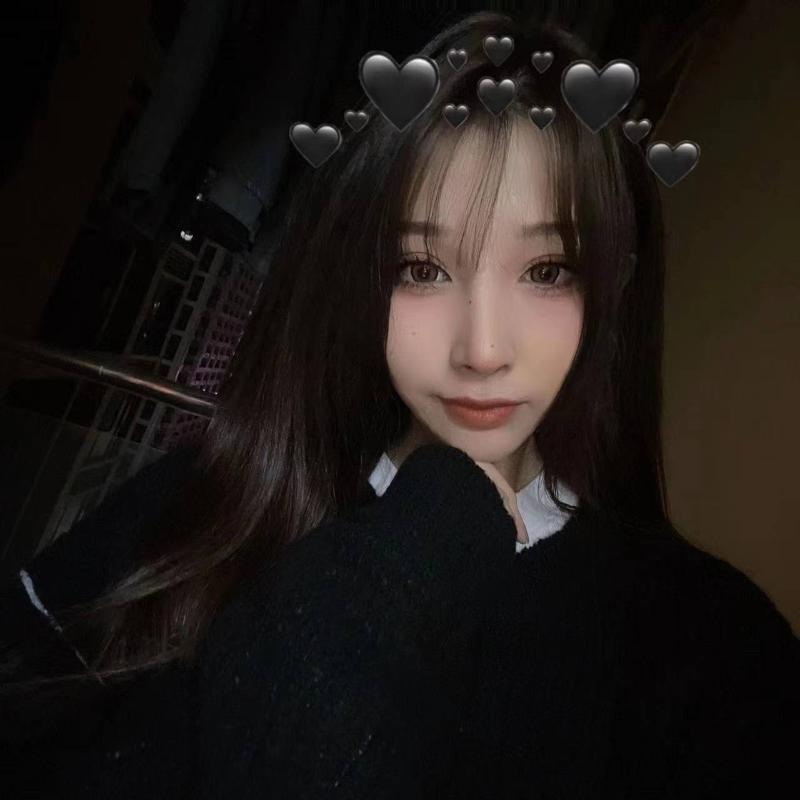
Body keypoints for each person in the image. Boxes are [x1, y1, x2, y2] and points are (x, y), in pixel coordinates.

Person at [1, 9, 798, 799]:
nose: (482, 351)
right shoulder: (216, 496)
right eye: (423, 269)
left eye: (546, 271)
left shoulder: (713, 653)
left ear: (611, 291)